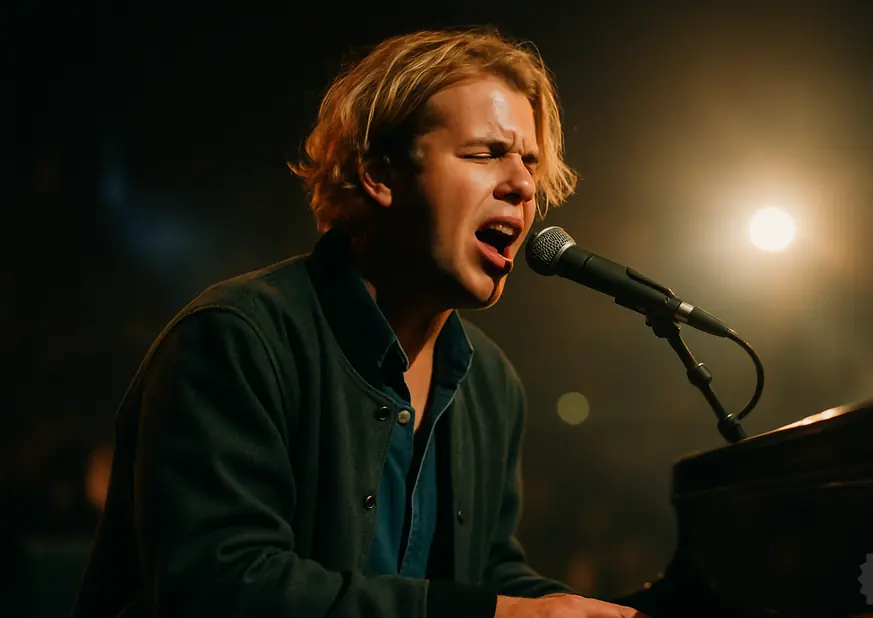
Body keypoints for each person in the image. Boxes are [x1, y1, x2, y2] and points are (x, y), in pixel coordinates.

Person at [71, 28, 649, 618]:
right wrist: (496, 615)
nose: (524, 185)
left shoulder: (491, 383)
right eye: (484, 154)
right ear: (379, 175)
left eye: (529, 162)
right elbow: (223, 586)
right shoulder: (236, 339)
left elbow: (486, 571)